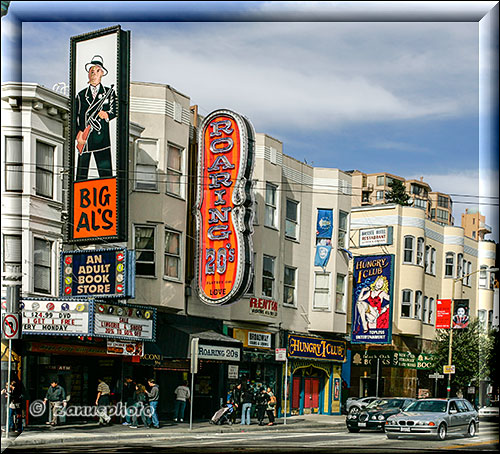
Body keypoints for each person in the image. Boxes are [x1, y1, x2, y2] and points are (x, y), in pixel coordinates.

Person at [74, 54, 117, 181]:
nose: (94, 73)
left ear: (102, 73)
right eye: (91, 70)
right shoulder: (81, 95)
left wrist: (107, 114)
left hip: (101, 138)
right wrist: (79, 134)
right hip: (85, 139)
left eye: (97, 70)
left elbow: (115, 110)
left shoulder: (109, 92)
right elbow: (76, 116)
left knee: (105, 176)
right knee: (80, 177)